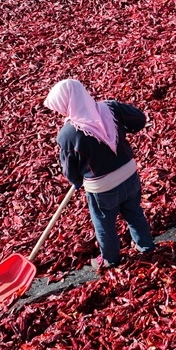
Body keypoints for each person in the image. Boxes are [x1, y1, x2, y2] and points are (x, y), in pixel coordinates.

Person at [44, 78, 155, 270]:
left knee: (104, 223)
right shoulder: (110, 108)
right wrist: (123, 131)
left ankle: (111, 259)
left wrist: (78, 181)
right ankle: (146, 246)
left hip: (103, 188)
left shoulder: (68, 134)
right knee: (134, 212)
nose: (60, 112)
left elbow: (70, 169)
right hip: (130, 174)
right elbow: (139, 119)